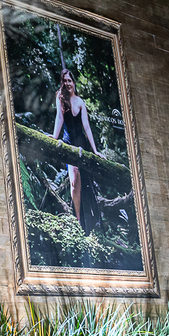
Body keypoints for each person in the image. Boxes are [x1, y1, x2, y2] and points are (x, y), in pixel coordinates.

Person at [51, 68, 101, 232]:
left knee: (85, 182)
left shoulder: (80, 102)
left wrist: (95, 150)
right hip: (68, 145)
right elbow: (59, 118)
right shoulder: (60, 97)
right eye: (64, 81)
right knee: (74, 183)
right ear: (62, 83)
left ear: (73, 82)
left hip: (82, 146)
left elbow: (87, 126)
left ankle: (92, 222)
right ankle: (78, 221)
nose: (67, 83)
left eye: (69, 80)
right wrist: (54, 136)